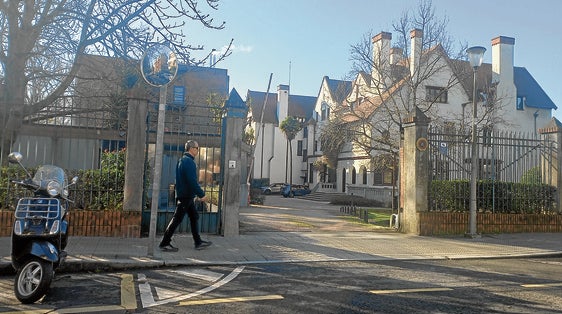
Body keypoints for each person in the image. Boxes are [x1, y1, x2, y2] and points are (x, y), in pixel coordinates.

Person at [159, 140, 212, 251]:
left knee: (194, 217)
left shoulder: (183, 160)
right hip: (185, 196)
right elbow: (191, 181)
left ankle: (198, 242)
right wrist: (201, 194)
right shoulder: (188, 162)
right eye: (197, 148)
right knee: (177, 219)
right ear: (191, 149)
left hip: (186, 195)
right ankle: (165, 242)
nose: (198, 150)